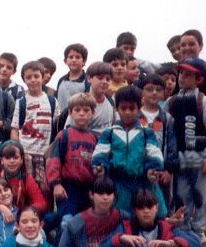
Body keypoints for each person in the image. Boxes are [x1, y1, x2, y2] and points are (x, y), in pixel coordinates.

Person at [163, 57, 206, 243]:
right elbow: (164, 127)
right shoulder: (171, 101)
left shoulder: (202, 101)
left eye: (188, 74)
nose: (182, 77)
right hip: (180, 159)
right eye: (181, 73)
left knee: (201, 195)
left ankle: (198, 229)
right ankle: (183, 227)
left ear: (199, 79)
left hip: (201, 159)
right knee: (181, 194)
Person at [92, 85, 167, 219]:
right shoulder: (110, 132)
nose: (127, 112)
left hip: (143, 182)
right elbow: (101, 151)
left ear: (139, 108)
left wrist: (153, 168)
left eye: (132, 108)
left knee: (152, 216)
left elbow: (154, 152)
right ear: (117, 108)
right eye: (123, 108)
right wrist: (100, 166)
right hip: (118, 183)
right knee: (121, 218)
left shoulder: (146, 132)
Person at [46, 93, 98, 224]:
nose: (81, 113)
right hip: (68, 187)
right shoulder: (64, 135)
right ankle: (47, 227)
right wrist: (56, 184)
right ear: (70, 112)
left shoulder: (95, 138)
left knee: (84, 223)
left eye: (86, 110)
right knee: (66, 221)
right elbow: (53, 160)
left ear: (93, 113)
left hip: (88, 188)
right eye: (77, 110)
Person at [11, 60, 56, 188]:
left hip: (45, 152)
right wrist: (17, 151)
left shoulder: (52, 101)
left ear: (42, 77)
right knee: (27, 185)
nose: (33, 80)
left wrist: (52, 149)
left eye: (36, 76)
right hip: (26, 152)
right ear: (24, 80)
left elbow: (58, 128)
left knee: (44, 187)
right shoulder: (21, 102)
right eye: (29, 77)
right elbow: (14, 129)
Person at [137, 74, 178, 207]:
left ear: (163, 92)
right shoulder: (135, 116)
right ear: (142, 92)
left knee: (160, 204)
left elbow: (172, 146)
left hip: (160, 171)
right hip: (137, 168)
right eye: (149, 89)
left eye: (158, 90)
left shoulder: (168, 118)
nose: (154, 93)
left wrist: (169, 170)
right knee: (138, 203)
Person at [0, 140, 48, 215]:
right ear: (1, 160)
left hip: (20, 214)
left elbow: (41, 202)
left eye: (16, 157)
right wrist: (1, 208)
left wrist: (25, 212)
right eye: (7, 158)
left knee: (48, 216)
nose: (12, 161)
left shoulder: (26, 179)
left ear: (21, 160)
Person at [66, 61, 116, 138]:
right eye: (100, 78)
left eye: (108, 79)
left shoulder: (112, 102)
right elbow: (68, 132)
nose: (104, 82)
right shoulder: (79, 102)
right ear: (89, 79)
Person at [55, 43, 90, 117]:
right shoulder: (61, 81)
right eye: (71, 57)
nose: (74, 60)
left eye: (77, 57)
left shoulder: (87, 81)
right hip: (61, 121)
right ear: (65, 61)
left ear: (84, 61)